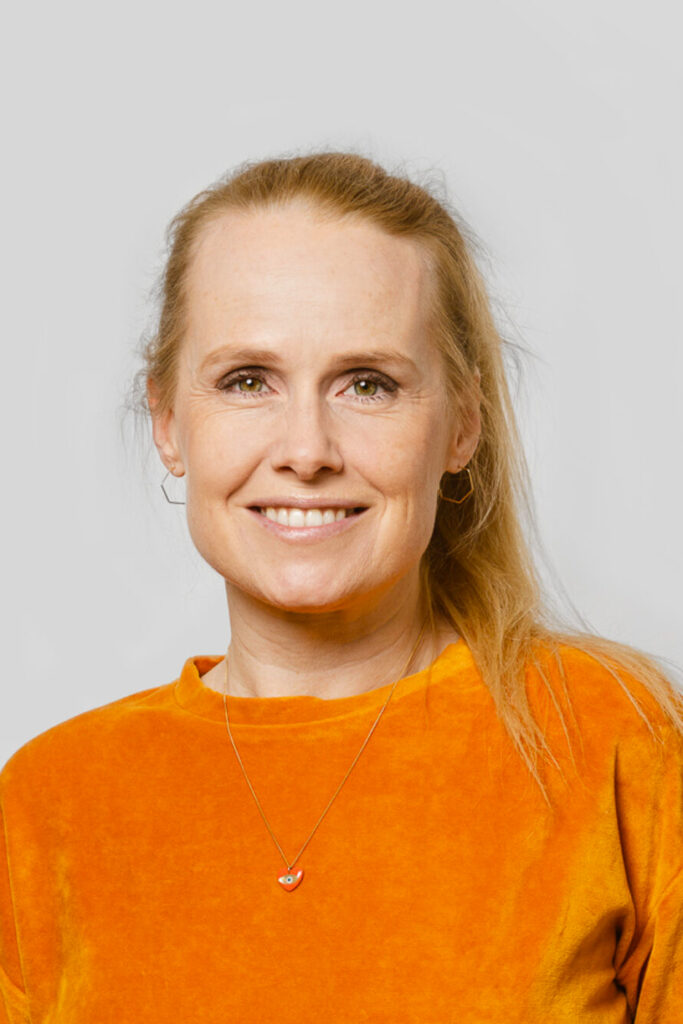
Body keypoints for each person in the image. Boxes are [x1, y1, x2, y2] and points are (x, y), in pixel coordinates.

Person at [1, 152, 681, 1023]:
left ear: (461, 425)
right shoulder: (49, 802)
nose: (306, 450)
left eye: (368, 384)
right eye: (248, 381)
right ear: (169, 423)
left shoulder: (612, 741)